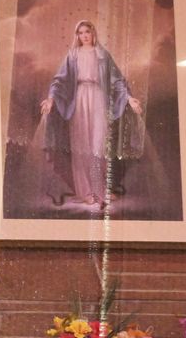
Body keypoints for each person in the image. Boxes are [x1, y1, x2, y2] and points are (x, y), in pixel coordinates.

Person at [39, 20, 142, 209]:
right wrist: (51, 99)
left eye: (87, 31)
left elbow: (118, 80)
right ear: (76, 36)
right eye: (80, 33)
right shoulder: (73, 55)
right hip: (79, 99)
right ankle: (85, 191)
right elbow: (58, 81)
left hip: (98, 99)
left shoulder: (103, 55)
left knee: (99, 145)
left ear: (93, 33)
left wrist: (129, 98)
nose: (84, 36)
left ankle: (100, 189)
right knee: (81, 145)